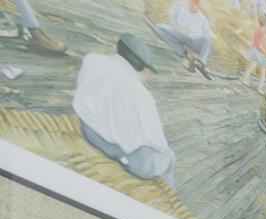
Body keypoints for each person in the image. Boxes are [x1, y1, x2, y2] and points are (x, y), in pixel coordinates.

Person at [75, 36, 175, 180]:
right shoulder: (141, 94)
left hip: (88, 130)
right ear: (142, 67)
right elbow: (156, 141)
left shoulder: (93, 60)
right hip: (119, 151)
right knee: (168, 157)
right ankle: (168, 197)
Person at [153, 0, 213, 74]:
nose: (193, 3)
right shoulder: (179, 5)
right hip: (178, 33)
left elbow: (205, 34)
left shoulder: (202, 19)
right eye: (192, 1)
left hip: (193, 40)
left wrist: (190, 34)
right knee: (160, 27)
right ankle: (183, 53)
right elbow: (171, 16)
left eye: (196, 2)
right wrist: (177, 28)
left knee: (208, 41)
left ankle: (201, 63)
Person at [243, 20, 266, 92]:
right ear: (265, 25)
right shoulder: (262, 32)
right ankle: (259, 88)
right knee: (263, 71)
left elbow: (255, 42)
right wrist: (265, 52)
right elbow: (259, 45)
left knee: (251, 66)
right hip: (260, 52)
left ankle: (243, 79)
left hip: (255, 50)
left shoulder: (257, 30)